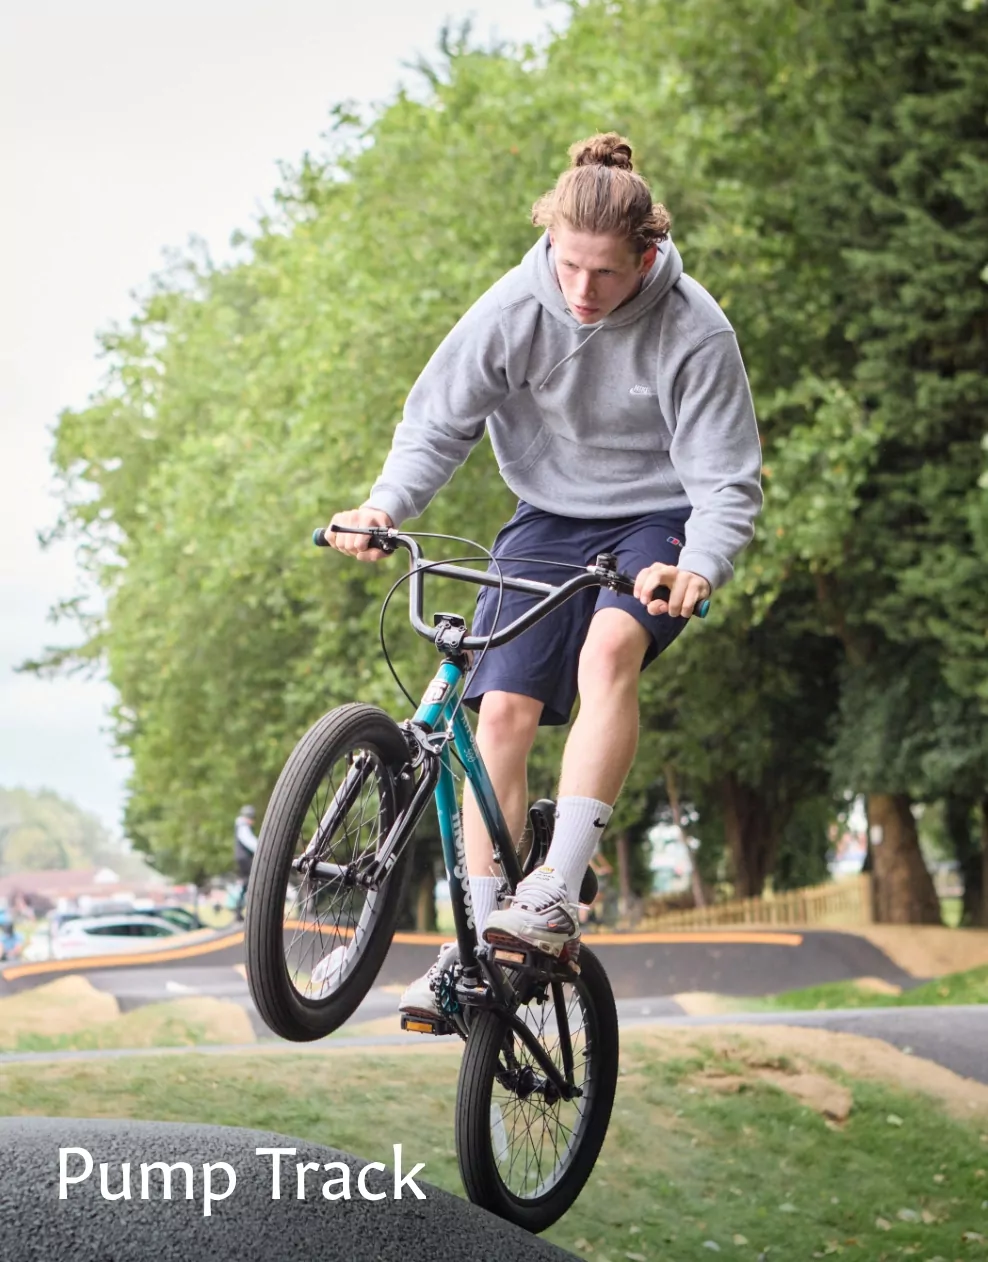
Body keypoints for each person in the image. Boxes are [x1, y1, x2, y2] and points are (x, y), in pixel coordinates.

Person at [323, 133, 762, 1018]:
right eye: (567, 266)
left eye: (604, 273)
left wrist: (698, 567)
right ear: (547, 242)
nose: (581, 291)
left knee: (607, 652)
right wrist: (381, 508)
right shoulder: (514, 307)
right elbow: (436, 423)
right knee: (503, 714)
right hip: (547, 516)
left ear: (646, 255)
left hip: (660, 516)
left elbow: (725, 479)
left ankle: (558, 886)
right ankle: (478, 947)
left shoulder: (694, 328)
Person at [233, 805, 259, 921]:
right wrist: (261, 847)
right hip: (244, 857)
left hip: (242, 857)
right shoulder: (242, 826)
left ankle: (239, 910)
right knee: (251, 880)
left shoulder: (241, 825)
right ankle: (243, 909)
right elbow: (248, 841)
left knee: (246, 881)